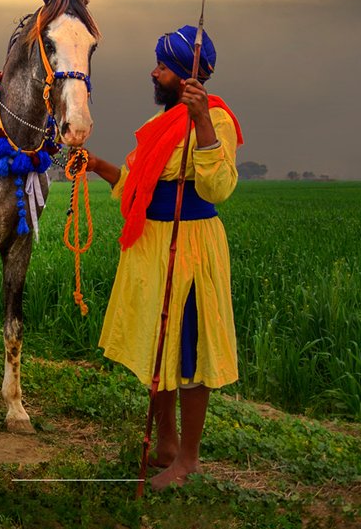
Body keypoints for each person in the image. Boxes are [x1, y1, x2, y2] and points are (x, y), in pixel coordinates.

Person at [84, 25, 243, 490]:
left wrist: (203, 124)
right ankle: (167, 445)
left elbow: (219, 188)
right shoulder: (158, 126)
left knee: (190, 349)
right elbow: (136, 188)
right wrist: (95, 165)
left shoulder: (217, 121)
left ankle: (189, 461)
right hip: (152, 245)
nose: (153, 72)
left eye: (161, 66)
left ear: (182, 75)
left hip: (191, 246)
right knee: (159, 344)